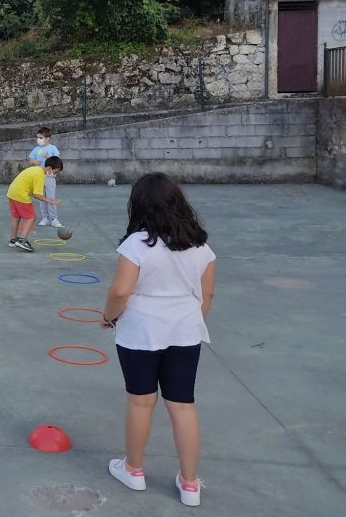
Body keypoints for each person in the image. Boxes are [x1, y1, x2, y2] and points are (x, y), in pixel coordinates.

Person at [100, 172, 216, 508]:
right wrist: (187, 324)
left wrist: (108, 317)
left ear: (139, 207)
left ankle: (134, 470)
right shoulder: (201, 246)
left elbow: (120, 291)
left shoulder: (136, 244)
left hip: (141, 332)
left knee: (141, 400)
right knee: (182, 404)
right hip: (184, 331)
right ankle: (190, 483)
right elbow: (206, 295)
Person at [5, 156, 62, 252]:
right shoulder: (40, 175)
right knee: (31, 217)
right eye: (55, 172)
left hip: (12, 192)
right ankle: (22, 240)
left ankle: (13, 240)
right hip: (20, 194)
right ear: (49, 168)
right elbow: (37, 195)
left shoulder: (35, 169)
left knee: (16, 217)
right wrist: (51, 201)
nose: (54, 174)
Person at [28, 126, 63, 228]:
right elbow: (30, 160)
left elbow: (58, 160)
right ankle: (45, 217)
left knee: (51, 197)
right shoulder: (36, 149)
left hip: (50, 177)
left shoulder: (53, 148)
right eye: (38, 137)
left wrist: (49, 158)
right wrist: (34, 161)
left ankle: (54, 218)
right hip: (39, 176)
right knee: (41, 197)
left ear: (48, 138)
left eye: (41, 137)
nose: (39, 140)